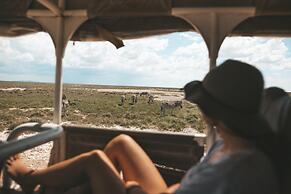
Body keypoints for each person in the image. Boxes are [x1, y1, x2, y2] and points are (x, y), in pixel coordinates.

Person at [6, 60, 278, 194]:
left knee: (96, 160)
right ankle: (50, 186)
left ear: (213, 113)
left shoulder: (233, 174)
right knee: (122, 142)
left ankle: (31, 178)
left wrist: (135, 190)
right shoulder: (232, 142)